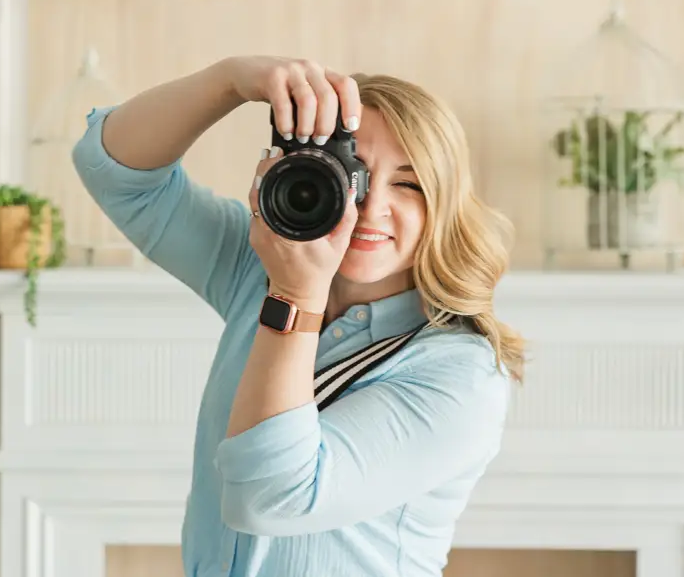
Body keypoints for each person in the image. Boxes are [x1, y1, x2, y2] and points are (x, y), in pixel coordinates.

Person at [71, 55, 525, 577]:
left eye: (409, 184)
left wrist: (296, 294)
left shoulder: (461, 375)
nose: (370, 205)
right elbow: (115, 172)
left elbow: (271, 498)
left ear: (440, 205)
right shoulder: (257, 269)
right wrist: (228, 82)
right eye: (352, 174)